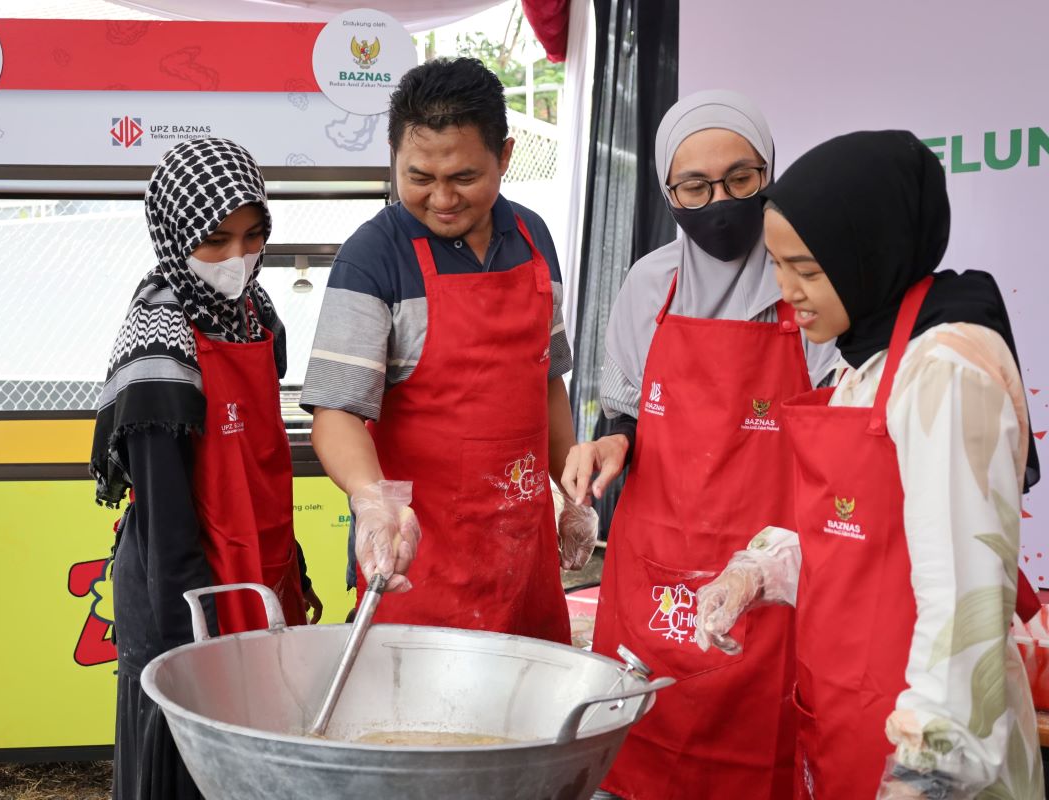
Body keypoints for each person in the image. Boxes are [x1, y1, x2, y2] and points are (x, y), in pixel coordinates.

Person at [695, 130, 1043, 799]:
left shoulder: (947, 368)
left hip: (932, 751)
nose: (786, 290)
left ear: (870, 254)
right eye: (777, 264)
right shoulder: (870, 362)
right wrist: (755, 572)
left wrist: (929, 770)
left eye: (809, 270)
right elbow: (858, 541)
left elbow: (963, 597)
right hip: (854, 718)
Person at [561, 91, 839, 800]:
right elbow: (621, 414)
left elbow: (839, 437)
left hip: (770, 574)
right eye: (695, 186)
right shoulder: (649, 283)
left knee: (760, 754)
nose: (719, 200)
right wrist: (609, 446)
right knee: (645, 748)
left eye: (741, 179)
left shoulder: (807, 283)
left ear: (769, 173)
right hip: (657, 570)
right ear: (668, 191)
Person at [300, 57, 581, 641]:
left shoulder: (534, 238)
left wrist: (569, 487)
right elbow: (336, 413)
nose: (442, 199)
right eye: (420, 177)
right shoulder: (373, 256)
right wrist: (371, 501)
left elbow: (546, 379)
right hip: (420, 564)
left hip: (523, 558)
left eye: (464, 177)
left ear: (504, 157)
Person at [89, 138, 320, 800]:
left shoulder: (258, 317)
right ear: (175, 232)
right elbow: (166, 513)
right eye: (215, 239)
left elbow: (259, 461)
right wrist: (194, 645)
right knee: (192, 763)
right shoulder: (157, 337)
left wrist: (286, 568)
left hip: (263, 568)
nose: (236, 259)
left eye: (253, 236)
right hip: (184, 586)